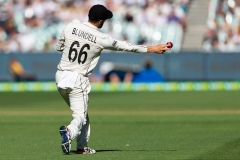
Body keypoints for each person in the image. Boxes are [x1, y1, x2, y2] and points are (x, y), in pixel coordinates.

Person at [55, 4, 172, 155]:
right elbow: (127, 46)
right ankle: (69, 132)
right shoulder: (101, 38)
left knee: (82, 114)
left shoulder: (71, 26)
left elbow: (59, 47)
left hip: (61, 76)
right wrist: (153, 49)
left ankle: (82, 147)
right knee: (79, 116)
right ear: (100, 21)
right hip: (77, 79)